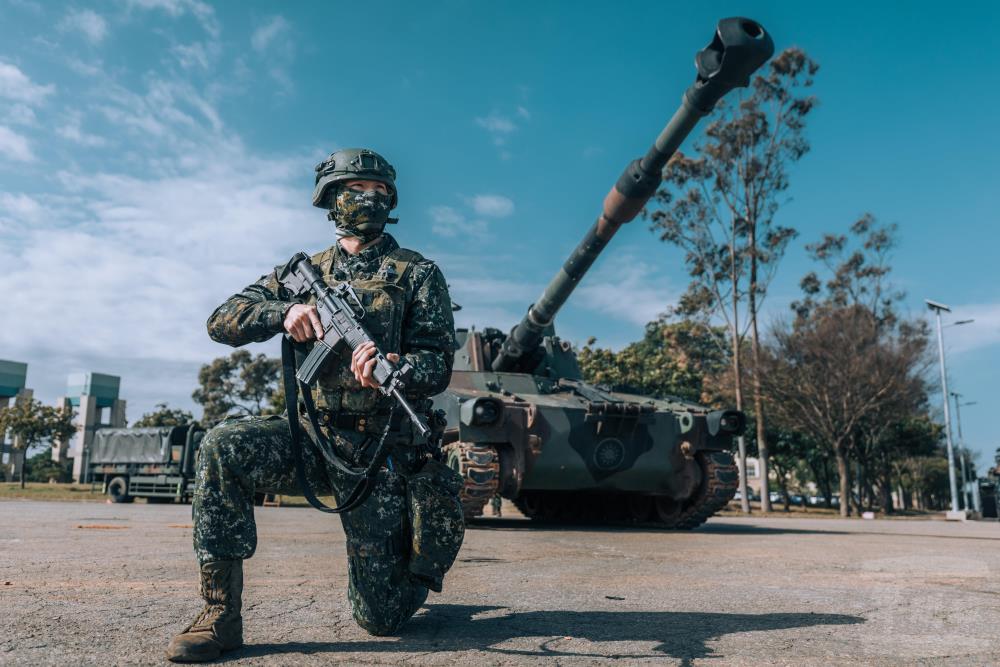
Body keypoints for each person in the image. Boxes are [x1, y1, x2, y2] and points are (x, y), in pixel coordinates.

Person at [166, 148, 462, 663]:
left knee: (380, 618)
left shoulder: (417, 273)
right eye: (356, 190)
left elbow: (437, 364)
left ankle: (412, 565)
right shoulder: (302, 271)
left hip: (376, 451)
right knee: (222, 445)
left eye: (380, 192)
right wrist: (286, 312)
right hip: (309, 439)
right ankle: (220, 614)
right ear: (331, 199)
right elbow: (222, 320)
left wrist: (397, 367)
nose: (370, 199)